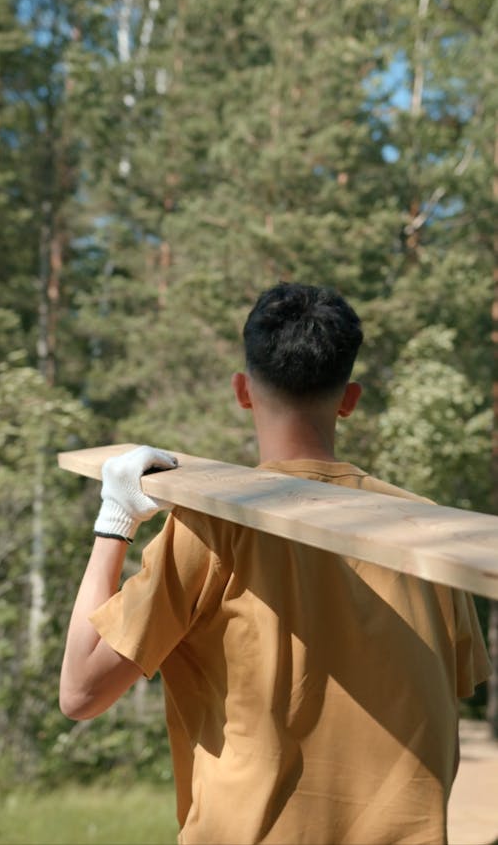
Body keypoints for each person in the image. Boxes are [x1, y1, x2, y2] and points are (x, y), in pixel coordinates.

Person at [60, 281, 490, 845]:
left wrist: (114, 521)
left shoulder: (212, 527)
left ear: (242, 390)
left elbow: (81, 692)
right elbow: (445, 697)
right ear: (349, 399)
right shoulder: (431, 531)